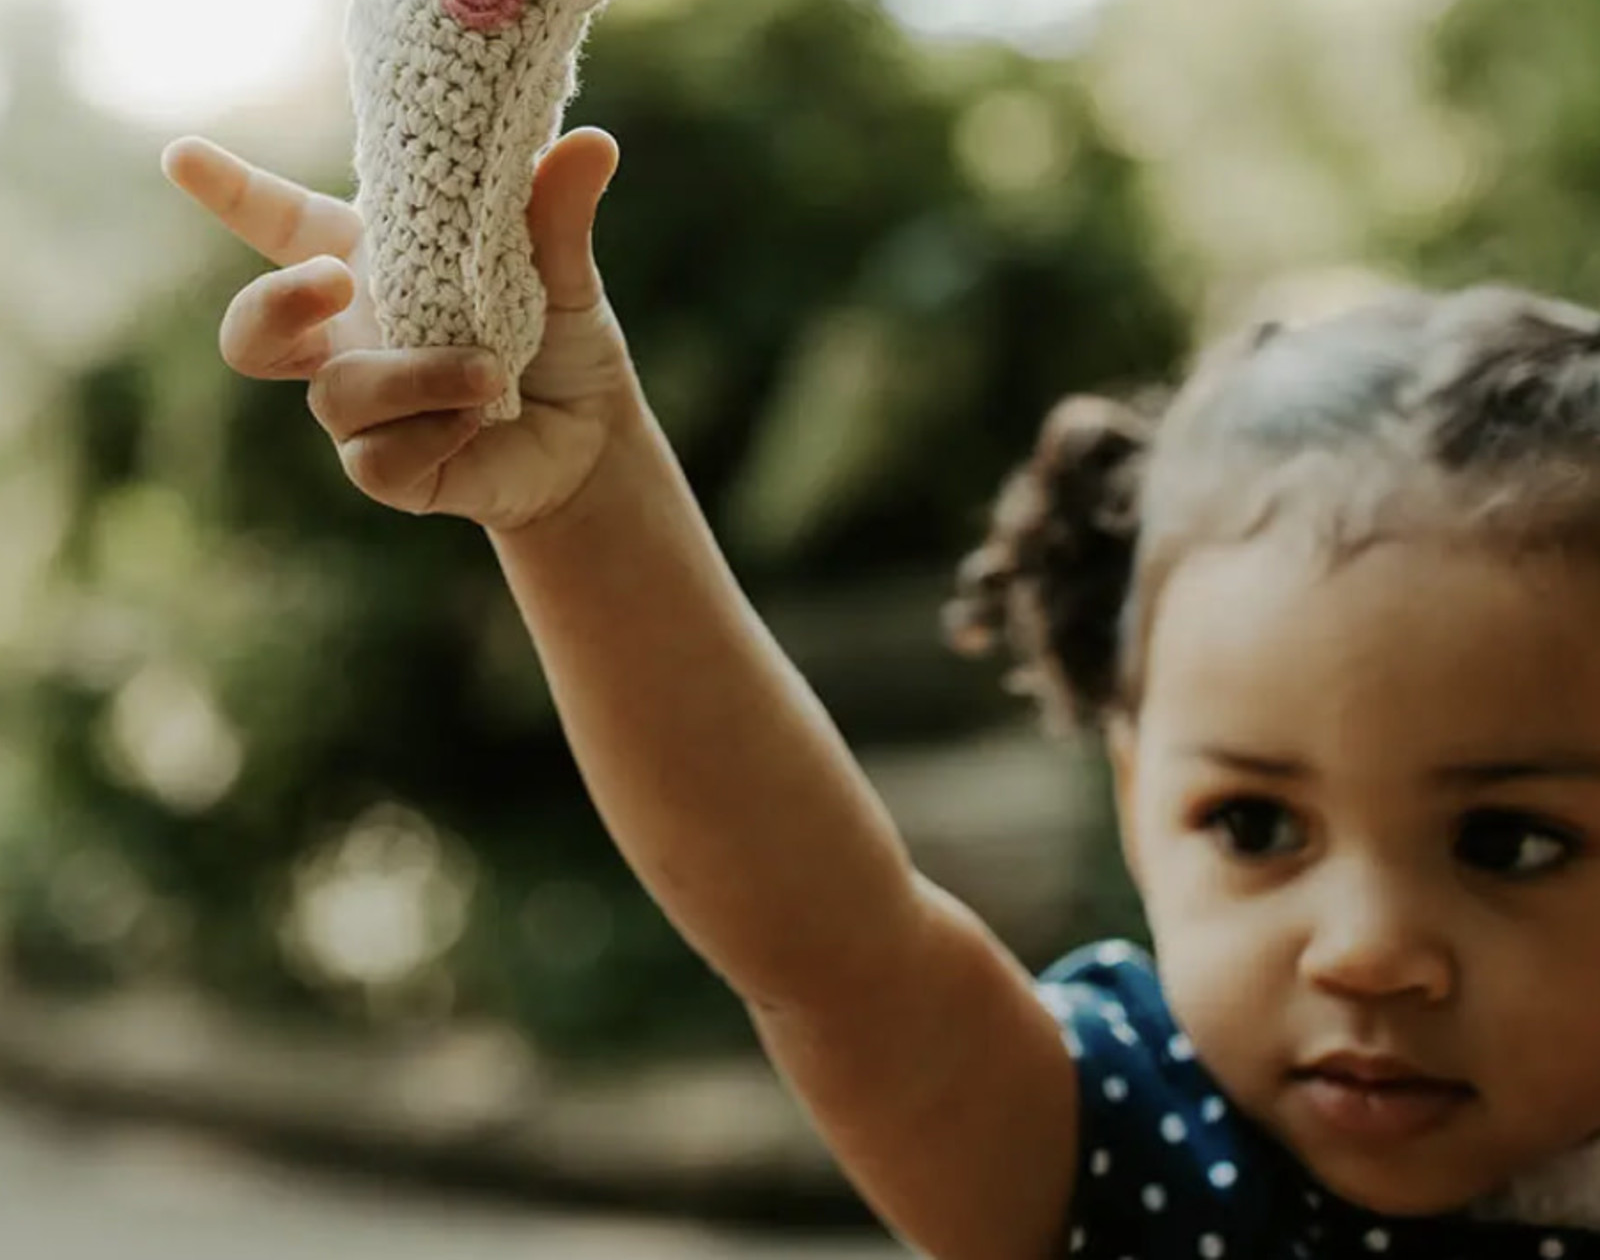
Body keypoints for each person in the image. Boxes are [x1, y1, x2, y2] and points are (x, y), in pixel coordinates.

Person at [162, 126, 1600, 1258]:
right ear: (1132, 788)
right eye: (1253, 827)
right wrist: (583, 499)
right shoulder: (1124, 1155)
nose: (1364, 954)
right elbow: (830, 946)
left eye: (1511, 841)